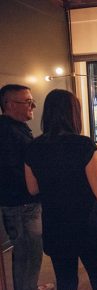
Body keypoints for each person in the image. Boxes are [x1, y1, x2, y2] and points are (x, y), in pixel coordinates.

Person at [24, 89, 97, 290]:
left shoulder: (34, 147)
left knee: (66, 282)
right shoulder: (83, 145)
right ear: (74, 113)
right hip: (87, 227)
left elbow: (33, 189)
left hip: (56, 226)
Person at [0, 84, 43, 290]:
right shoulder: (7, 132)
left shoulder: (16, 129)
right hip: (21, 205)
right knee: (27, 256)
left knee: (30, 254)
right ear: (8, 104)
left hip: (25, 204)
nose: (33, 105)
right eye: (27, 102)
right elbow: (14, 173)